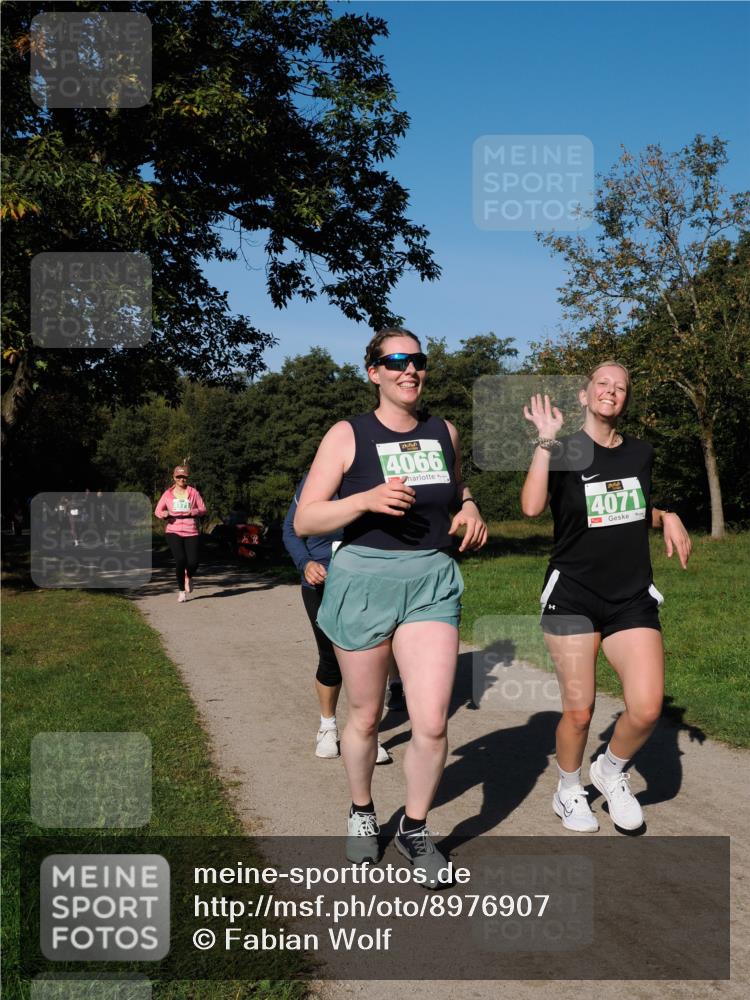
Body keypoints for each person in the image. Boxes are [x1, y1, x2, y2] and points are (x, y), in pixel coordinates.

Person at [294, 328, 487, 886]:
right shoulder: (347, 435)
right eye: (395, 361)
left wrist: (469, 506)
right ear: (373, 372)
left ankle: (415, 828)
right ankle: (361, 811)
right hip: (363, 580)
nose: (410, 370)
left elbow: (454, 489)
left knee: (430, 721)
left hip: (430, 579)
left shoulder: (443, 431)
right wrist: (365, 500)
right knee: (366, 716)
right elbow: (306, 518)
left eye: (418, 360)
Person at [521, 362, 692, 833]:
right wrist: (544, 441)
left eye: (620, 388)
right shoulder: (563, 449)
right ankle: (568, 789)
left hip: (630, 596)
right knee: (579, 711)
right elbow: (533, 507)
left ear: (625, 400)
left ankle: (611, 771)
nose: (611, 392)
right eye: (603, 384)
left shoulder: (641, 453)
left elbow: (631, 506)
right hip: (573, 594)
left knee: (648, 706)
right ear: (584, 395)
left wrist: (667, 514)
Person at [283, 476, 395, 764]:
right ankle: (327, 726)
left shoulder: (373, 474)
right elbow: (291, 530)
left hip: (368, 580)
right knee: (330, 657)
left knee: (371, 657)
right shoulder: (315, 481)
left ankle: (368, 734)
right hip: (322, 583)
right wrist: (305, 563)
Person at [155, 464, 207, 603]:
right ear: (174, 477)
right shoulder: (167, 494)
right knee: (180, 560)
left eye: (184, 477)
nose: (181, 479)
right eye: (179, 477)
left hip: (191, 529)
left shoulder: (193, 492)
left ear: (187, 478)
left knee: (193, 562)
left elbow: (203, 509)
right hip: (173, 529)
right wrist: (164, 514)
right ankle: (181, 591)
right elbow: (157, 510)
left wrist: (194, 511)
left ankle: (188, 576)